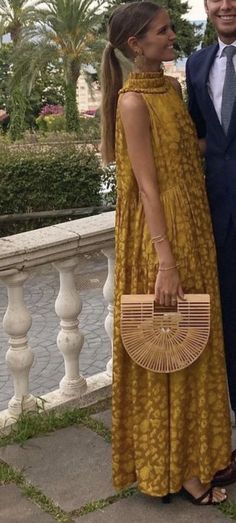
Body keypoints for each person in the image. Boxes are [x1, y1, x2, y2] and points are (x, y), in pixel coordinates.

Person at [100, 1, 231, 504]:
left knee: (195, 342)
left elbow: (189, 148)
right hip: (162, 236)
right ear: (136, 45)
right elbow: (148, 189)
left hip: (193, 228)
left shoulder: (172, 89)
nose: (173, 35)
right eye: (163, 30)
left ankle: (196, 457)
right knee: (168, 350)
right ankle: (176, 471)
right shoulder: (132, 102)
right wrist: (166, 261)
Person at [186, 0, 236, 487]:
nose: (226, 4)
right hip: (218, 220)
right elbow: (198, 138)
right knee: (232, 330)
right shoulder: (198, 64)